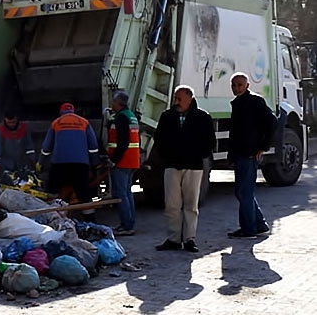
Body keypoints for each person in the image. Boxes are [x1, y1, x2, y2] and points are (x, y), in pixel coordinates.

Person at [154, 85, 216, 253]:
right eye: (175, 98)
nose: (176, 102)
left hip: (193, 166)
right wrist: (167, 157)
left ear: (190, 98)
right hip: (172, 165)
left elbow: (210, 142)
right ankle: (174, 238)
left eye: (179, 98)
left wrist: (196, 155)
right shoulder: (167, 116)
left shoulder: (202, 117)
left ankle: (189, 238)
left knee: (191, 204)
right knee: (172, 204)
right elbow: (158, 139)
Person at [227, 72, 277, 239]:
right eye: (234, 85)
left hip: (249, 153)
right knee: (243, 192)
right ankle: (260, 224)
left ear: (247, 85)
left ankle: (249, 229)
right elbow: (235, 132)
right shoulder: (238, 103)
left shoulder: (255, 101)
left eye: (240, 85)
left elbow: (272, 122)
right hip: (240, 153)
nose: (236, 88)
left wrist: (263, 147)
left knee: (244, 192)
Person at [39, 102, 100, 220]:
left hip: (59, 164)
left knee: (53, 192)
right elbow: (93, 146)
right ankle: (91, 220)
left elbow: (47, 147)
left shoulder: (56, 123)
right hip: (80, 164)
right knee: (84, 194)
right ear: (73, 111)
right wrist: (95, 163)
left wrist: (41, 162)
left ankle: (51, 218)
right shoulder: (84, 122)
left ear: (61, 112)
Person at [106, 90, 140, 236]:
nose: (112, 104)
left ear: (118, 103)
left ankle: (126, 226)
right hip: (132, 160)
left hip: (123, 161)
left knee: (121, 194)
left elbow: (123, 141)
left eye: (113, 102)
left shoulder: (121, 118)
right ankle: (129, 223)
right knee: (127, 192)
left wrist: (114, 161)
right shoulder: (131, 116)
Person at [0, 109, 36, 178]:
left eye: (13, 122)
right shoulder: (0, 131)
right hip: (5, 165)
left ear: (17, 119)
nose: (11, 125)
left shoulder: (24, 129)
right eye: (9, 122)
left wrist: (33, 159)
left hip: (21, 164)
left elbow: (29, 146)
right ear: (5, 120)